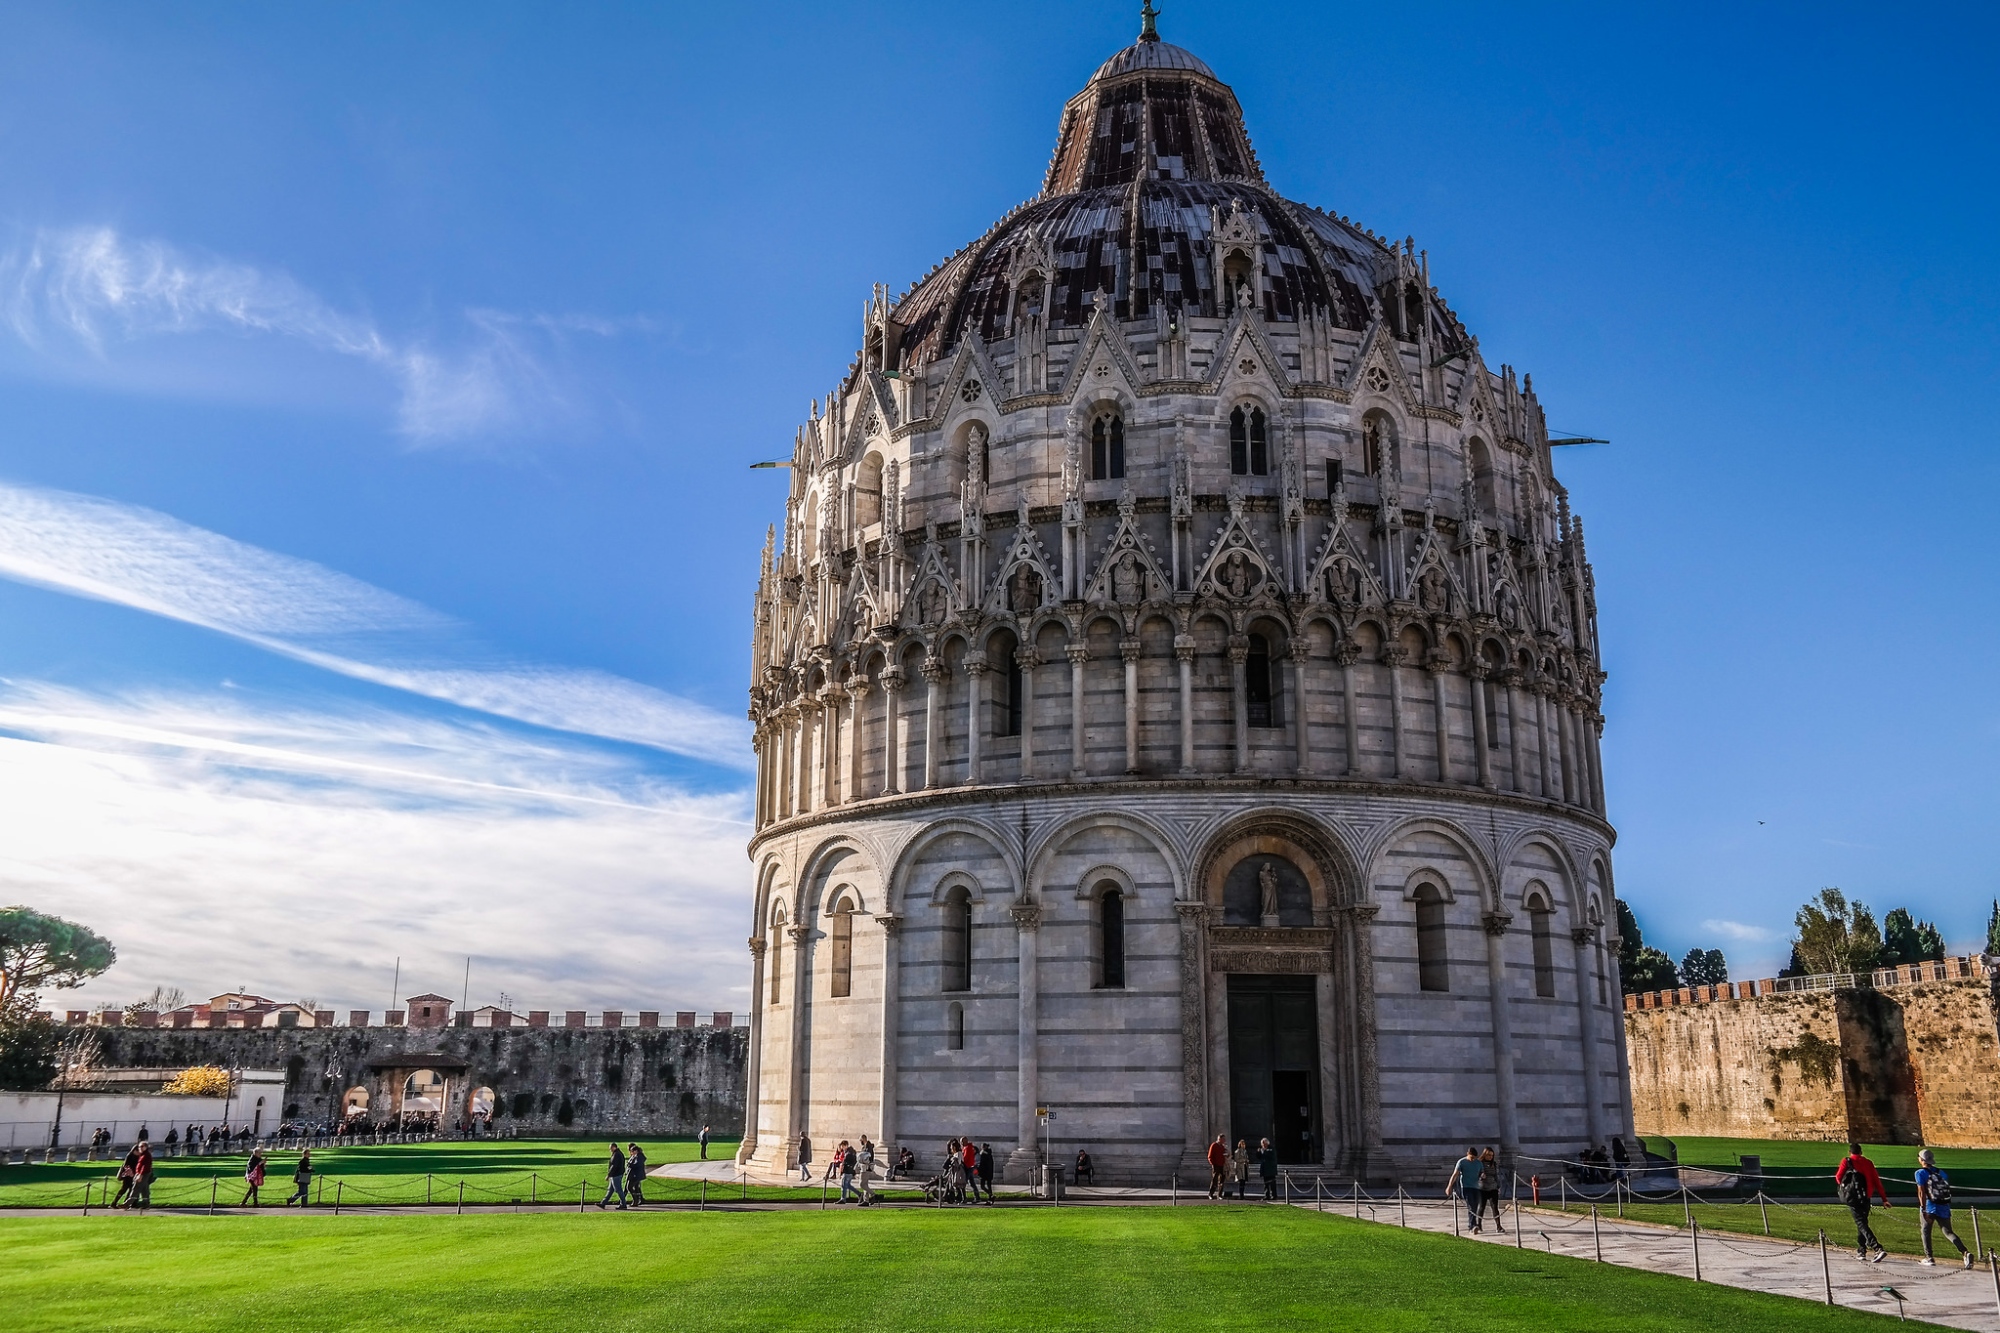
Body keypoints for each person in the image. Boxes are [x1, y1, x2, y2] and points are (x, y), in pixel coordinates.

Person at [1913, 1148, 1971, 1268]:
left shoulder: (1920, 1173)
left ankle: (1929, 1257)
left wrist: (1923, 1208)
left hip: (1930, 1206)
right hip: (1943, 1205)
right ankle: (1965, 1252)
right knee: (1948, 1232)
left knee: (1926, 1231)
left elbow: (1921, 1192)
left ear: (1922, 1159)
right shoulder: (1942, 1173)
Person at [1835, 1142, 1889, 1262]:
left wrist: (1846, 1188)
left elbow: (1838, 1177)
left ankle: (1877, 1247)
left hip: (1853, 1197)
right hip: (1866, 1197)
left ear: (1850, 1152)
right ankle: (1861, 1250)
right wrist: (1884, 1199)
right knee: (1862, 1223)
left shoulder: (1847, 1161)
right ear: (1861, 1152)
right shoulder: (1868, 1163)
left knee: (1861, 1223)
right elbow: (1876, 1181)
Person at [1446, 1147, 1485, 1233]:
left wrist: (1482, 1175)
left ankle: (1473, 1224)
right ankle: (1472, 1226)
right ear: (1467, 1154)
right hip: (1466, 1187)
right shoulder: (1461, 1162)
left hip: (1476, 1187)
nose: (1473, 1159)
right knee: (1471, 1205)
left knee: (1475, 1206)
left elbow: (1481, 1172)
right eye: (1471, 1157)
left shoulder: (1478, 1163)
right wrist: (1449, 1186)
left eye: (1474, 1158)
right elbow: (1455, 1175)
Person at [1478, 1147, 1505, 1232]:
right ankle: (1479, 1225)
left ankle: (1498, 1226)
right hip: (1483, 1188)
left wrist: (1498, 1186)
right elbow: (1476, 1175)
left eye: (1492, 1155)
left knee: (1495, 1208)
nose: (1490, 1157)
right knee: (1481, 1207)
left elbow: (1496, 1176)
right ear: (1485, 1154)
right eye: (1489, 1155)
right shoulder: (1479, 1163)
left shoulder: (1494, 1164)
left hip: (1493, 1188)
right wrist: (1480, 1176)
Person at [600, 1142, 628, 1209]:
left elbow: (614, 1166)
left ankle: (623, 1204)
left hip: (616, 1175)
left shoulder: (617, 1155)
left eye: (611, 1148)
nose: (610, 1150)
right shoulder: (617, 1154)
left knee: (618, 1190)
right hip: (616, 1174)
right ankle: (603, 1203)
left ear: (614, 1147)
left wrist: (609, 1175)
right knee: (610, 1190)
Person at [132, 1141, 155, 1209]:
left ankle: (128, 1202)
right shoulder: (142, 1155)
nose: (140, 1148)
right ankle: (146, 1203)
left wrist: (140, 1175)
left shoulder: (146, 1155)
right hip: (141, 1173)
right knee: (145, 1189)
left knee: (136, 1188)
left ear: (146, 1147)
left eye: (142, 1146)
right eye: (139, 1147)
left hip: (143, 1174)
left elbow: (145, 1166)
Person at [1206, 1133, 1230, 1199]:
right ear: (1220, 1139)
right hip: (1216, 1165)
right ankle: (1211, 1194)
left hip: (1222, 1165)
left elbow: (1226, 1154)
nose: (1224, 1140)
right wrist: (1213, 1163)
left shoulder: (1223, 1147)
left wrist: (1227, 1154)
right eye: (1223, 1139)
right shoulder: (1214, 1145)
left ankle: (1219, 1194)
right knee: (1214, 1180)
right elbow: (1210, 1156)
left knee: (1222, 1180)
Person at [626, 1143, 648, 1207]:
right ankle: (637, 1200)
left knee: (629, 1187)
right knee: (636, 1188)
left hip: (636, 1175)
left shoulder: (639, 1157)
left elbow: (637, 1165)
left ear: (636, 1151)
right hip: (635, 1175)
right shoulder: (636, 1156)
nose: (631, 1153)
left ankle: (635, 1200)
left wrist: (630, 1164)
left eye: (632, 1151)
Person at [857, 1136, 876, 1206]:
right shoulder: (866, 1147)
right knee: (865, 1184)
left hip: (866, 1167)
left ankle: (873, 1194)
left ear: (863, 1139)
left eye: (860, 1140)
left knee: (862, 1184)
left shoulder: (868, 1147)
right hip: (865, 1167)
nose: (860, 1142)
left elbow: (867, 1158)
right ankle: (866, 1200)